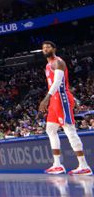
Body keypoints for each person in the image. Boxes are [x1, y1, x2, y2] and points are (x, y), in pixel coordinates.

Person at [39, 40, 91, 175]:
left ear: (54, 48)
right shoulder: (47, 64)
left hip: (61, 98)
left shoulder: (59, 62)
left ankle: (83, 165)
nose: (45, 49)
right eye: (43, 48)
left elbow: (57, 82)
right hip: (54, 100)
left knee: (69, 129)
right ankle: (57, 164)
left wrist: (46, 98)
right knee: (50, 129)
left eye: (48, 47)